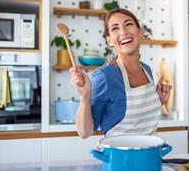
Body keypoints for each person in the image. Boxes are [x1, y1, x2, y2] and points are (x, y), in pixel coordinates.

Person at [69, 8, 172, 139]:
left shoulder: (147, 70)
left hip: (149, 154)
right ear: (110, 41)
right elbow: (85, 132)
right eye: (115, 28)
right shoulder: (104, 76)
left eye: (128, 24)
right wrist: (85, 96)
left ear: (140, 33)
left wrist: (159, 101)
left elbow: (139, 119)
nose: (123, 32)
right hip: (118, 156)